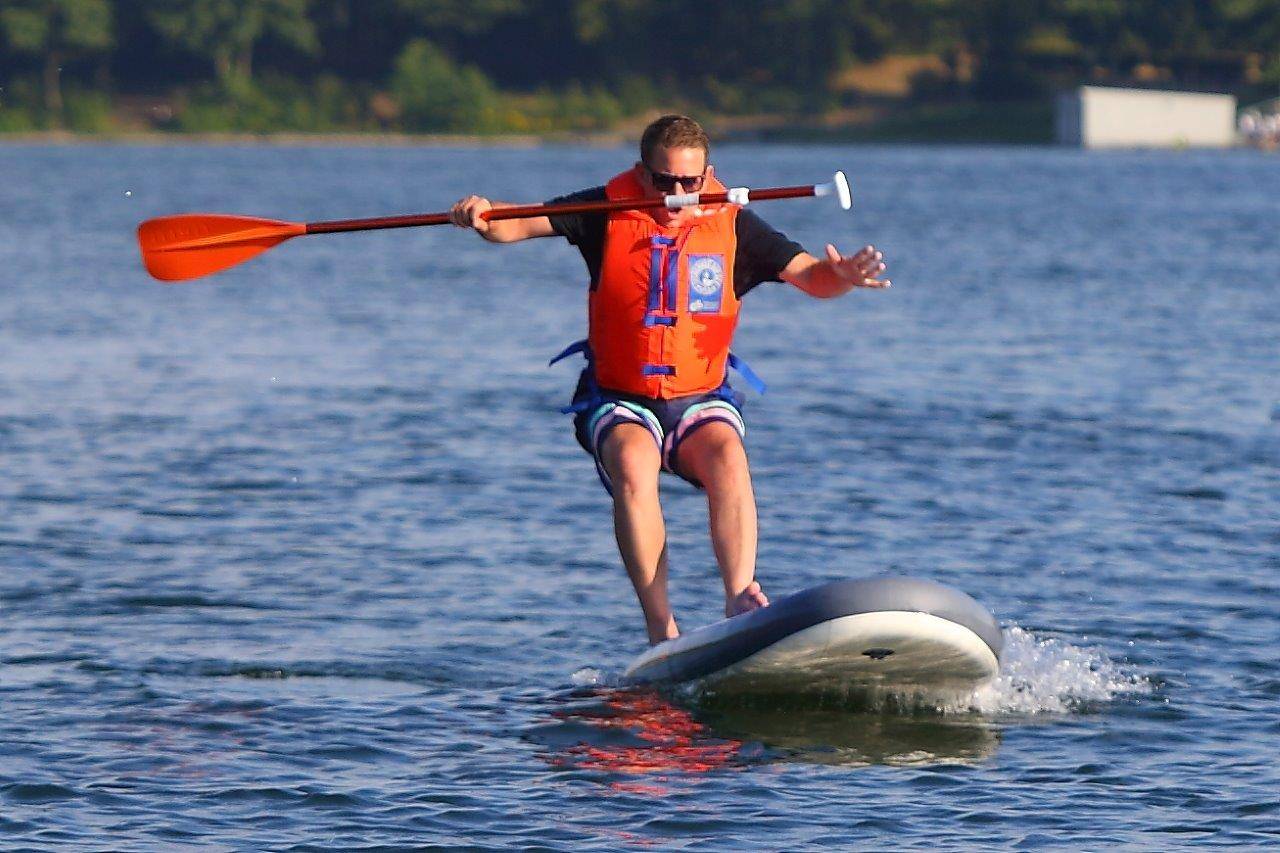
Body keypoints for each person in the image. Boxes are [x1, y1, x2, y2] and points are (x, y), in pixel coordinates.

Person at [449, 115, 889, 645]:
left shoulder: (735, 223)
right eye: (663, 183)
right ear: (641, 174)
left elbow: (812, 278)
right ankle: (661, 630)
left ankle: (740, 596)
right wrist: (480, 216)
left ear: (709, 174)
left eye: (690, 183)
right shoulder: (604, 211)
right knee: (635, 461)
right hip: (617, 399)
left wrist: (840, 278)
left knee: (727, 453)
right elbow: (514, 225)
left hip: (699, 399)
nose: (677, 196)